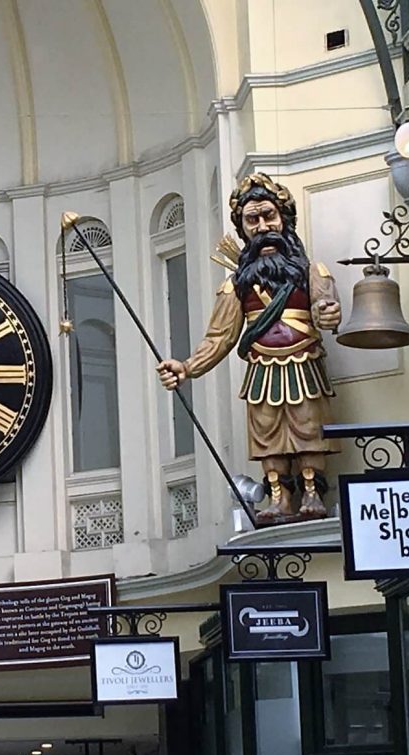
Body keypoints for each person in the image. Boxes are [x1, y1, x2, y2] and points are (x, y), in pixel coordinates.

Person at [156, 172, 341, 525]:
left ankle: (313, 490)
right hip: (261, 368)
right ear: (242, 230)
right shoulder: (235, 286)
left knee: (307, 424)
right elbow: (220, 337)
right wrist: (187, 367)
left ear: (284, 220)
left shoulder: (310, 271)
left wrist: (328, 312)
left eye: (269, 216)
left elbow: (325, 305)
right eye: (252, 220)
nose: (262, 227)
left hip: (305, 362)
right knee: (267, 430)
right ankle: (278, 495)